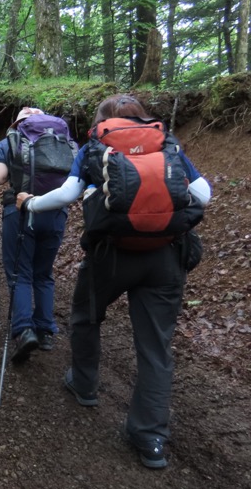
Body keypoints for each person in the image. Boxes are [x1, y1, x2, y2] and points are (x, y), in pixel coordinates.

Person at [16, 94, 212, 469]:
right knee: (155, 347)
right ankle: (150, 437)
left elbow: (68, 194)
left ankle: (85, 384)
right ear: (141, 116)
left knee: (86, 316)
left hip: (111, 254)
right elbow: (203, 194)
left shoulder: (97, 144)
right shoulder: (166, 144)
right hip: (165, 257)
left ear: (102, 119)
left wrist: (29, 203)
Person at [0, 107, 75, 363]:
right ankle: (45, 331)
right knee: (44, 273)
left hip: (20, 211)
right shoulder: (66, 142)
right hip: (56, 212)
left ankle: (24, 330)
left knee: (20, 272)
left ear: (19, 123)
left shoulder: (10, 141)